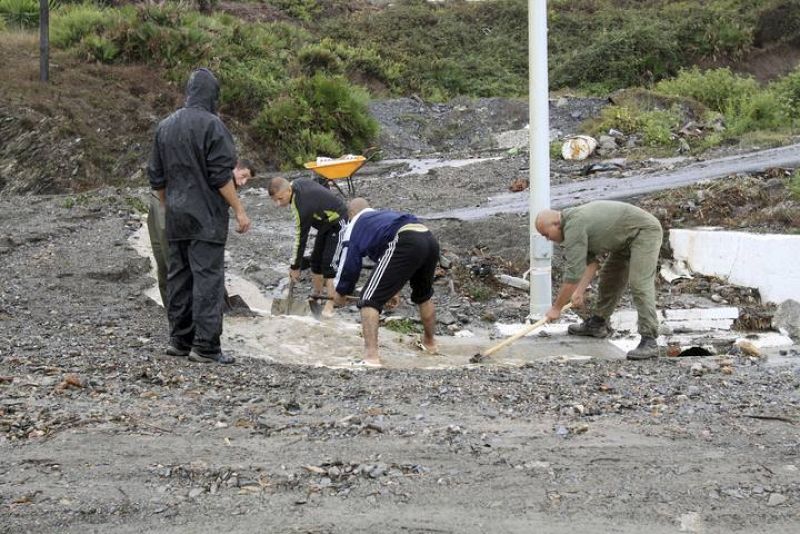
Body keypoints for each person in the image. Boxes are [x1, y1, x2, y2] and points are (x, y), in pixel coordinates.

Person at [148, 68, 251, 365]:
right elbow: (221, 177)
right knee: (207, 279)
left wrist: (169, 208)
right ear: (212, 96)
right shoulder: (213, 125)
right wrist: (240, 211)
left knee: (179, 277)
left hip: (176, 215)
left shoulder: (165, 126)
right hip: (206, 218)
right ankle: (205, 347)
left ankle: (179, 341)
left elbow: (157, 179)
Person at [534, 200, 663, 360]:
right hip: (623, 240)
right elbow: (591, 264)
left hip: (644, 232)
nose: (547, 239)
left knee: (639, 284)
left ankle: (649, 340)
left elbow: (573, 273)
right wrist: (579, 292)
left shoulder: (574, 225)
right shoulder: (572, 224)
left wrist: (557, 308)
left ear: (556, 224)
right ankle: (598, 324)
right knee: (609, 278)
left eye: (546, 234)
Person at [333, 198, 439, 365]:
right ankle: (430, 343)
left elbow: (349, 263)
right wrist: (393, 290)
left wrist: (341, 292)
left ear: (351, 214)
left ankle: (371, 358)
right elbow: (389, 260)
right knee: (423, 295)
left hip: (406, 239)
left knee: (369, 299)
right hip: (428, 238)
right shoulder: (382, 216)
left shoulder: (354, 224)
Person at [146, 159, 255, 307]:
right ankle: (174, 310)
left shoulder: (225, 188)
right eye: (243, 176)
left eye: (247, 180)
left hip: (174, 204)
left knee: (174, 261)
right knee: (165, 259)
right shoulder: (215, 171)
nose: (243, 183)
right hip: (163, 198)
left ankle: (182, 311)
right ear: (234, 167)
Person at [268, 176, 347, 318]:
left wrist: (295, 266)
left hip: (338, 222)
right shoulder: (296, 185)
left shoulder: (301, 206)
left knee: (329, 264)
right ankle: (316, 296)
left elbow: (300, 238)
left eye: (280, 199)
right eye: (275, 201)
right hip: (324, 224)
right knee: (315, 261)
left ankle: (330, 303)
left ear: (288, 190)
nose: (278, 204)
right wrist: (296, 265)